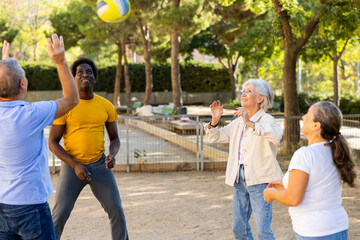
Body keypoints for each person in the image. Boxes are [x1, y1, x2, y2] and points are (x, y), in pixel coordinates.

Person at [0, 35, 79, 239]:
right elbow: (72, 99)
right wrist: (61, 62)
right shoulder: (30, 115)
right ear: (24, 84)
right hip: (30, 207)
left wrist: (5, 66)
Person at [49, 57, 128, 240]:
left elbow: (114, 138)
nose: (85, 75)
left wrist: (112, 154)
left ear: (94, 78)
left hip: (100, 166)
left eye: (89, 72)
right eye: (80, 72)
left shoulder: (105, 105)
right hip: (72, 167)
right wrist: (75, 165)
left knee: (116, 209)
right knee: (59, 214)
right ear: (74, 78)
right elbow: (53, 142)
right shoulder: (66, 106)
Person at [263, 101, 357, 240]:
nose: (303, 117)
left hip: (314, 232)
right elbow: (318, 185)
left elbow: (293, 199)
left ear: (316, 125)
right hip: (338, 227)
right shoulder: (333, 151)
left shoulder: (305, 154)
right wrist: (285, 184)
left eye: (308, 114)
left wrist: (270, 193)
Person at [205, 78, 283, 240]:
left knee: (263, 231)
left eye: (249, 91)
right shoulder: (238, 122)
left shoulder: (267, 120)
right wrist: (214, 120)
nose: (243, 93)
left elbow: (276, 136)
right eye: (243, 90)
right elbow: (215, 137)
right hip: (239, 179)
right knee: (239, 229)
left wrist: (250, 123)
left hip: (260, 180)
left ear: (260, 98)